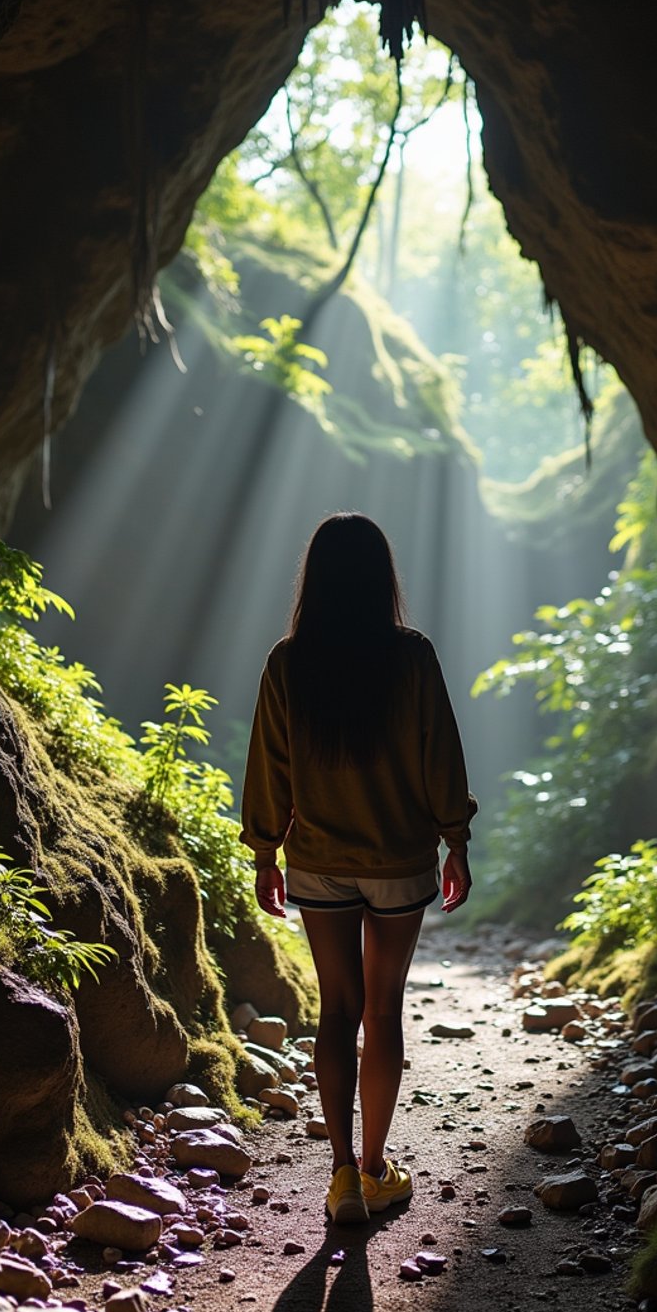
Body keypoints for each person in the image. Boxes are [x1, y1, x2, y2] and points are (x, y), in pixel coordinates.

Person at [239, 513, 475, 1225]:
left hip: (318, 864)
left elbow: (268, 767)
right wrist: (455, 839)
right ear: (382, 579)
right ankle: (376, 1168)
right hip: (400, 863)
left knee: (335, 1011)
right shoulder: (412, 657)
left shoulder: (289, 662)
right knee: (382, 1009)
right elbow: (441, 756)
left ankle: (341, 1177)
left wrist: (264, 852)